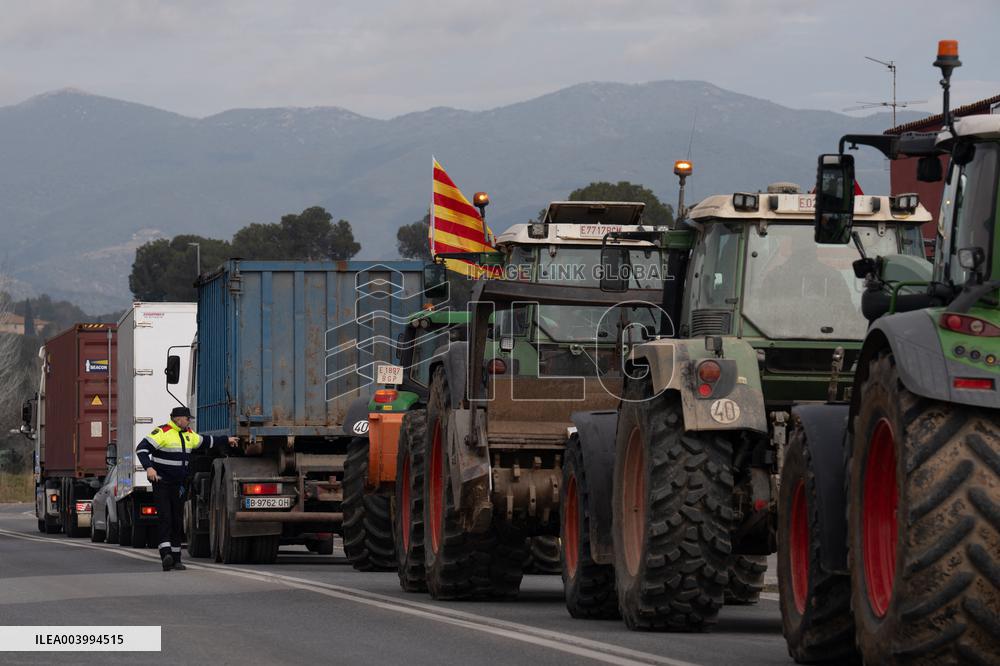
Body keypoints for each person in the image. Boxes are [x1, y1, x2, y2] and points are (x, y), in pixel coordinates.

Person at [136, 406, 238, 571]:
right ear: (177, 419)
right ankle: (166, 555)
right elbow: (141, 449)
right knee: (165, 518)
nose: (189, 420)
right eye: (186, 418)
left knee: (177, 521)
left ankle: (176, 559)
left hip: (179, 485)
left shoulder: (190, 435)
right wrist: (149, 468)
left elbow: (208, 441)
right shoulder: (162, 432)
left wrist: (227, 440)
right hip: (162, 483)